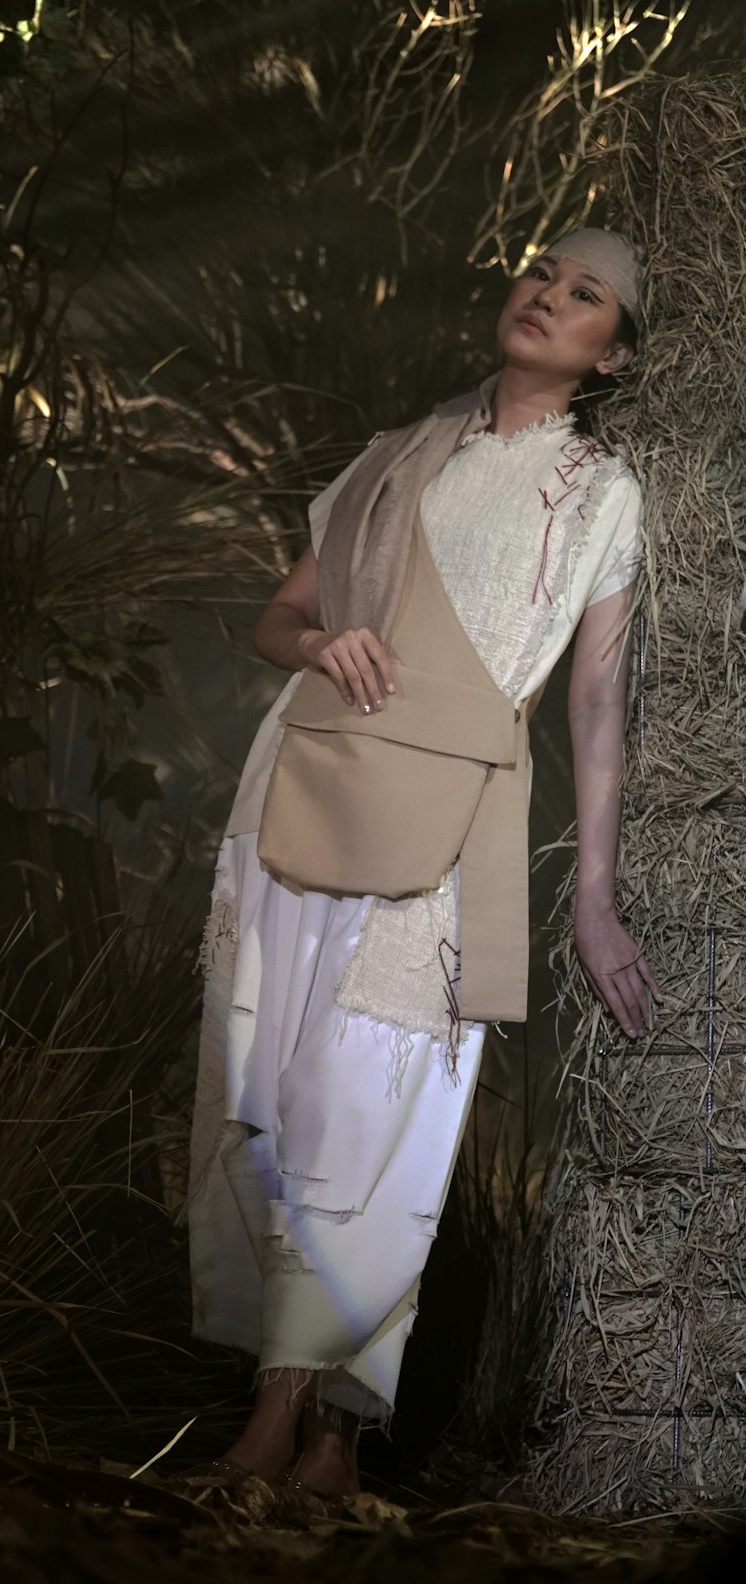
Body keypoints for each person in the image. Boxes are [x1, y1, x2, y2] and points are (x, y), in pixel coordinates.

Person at [185, 229, 662, 1500]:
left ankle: (307, 1427)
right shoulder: (396, 456)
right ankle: (307, 1432)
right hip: (305, 776)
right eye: (540, 275)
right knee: (277, 1095)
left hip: (447, 813)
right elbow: (274, 620)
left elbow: (594, 705)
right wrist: (325, 641)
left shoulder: (599, 492)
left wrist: (597, 898)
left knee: (379, 1108)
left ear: (607, 350)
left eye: (583, 297)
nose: (545, 297)